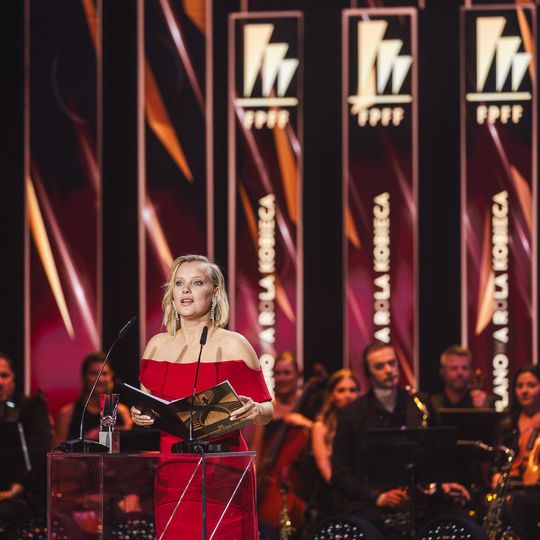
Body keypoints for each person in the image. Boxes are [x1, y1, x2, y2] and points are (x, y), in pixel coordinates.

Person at [130, 254, 273, 539]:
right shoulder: (156, 346)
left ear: (215, 293)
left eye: (196, 283)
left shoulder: (234, 345)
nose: (185, 290)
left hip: (224, 475)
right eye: (179, 283)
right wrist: (140, 416)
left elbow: (268, 411)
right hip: (173, 473)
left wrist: (254, 410)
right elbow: (147, 405)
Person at [332, 341, 470, 538]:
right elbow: (340, 474)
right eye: (380, 366)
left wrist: (443, 482)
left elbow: (437, 455)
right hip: (372, 503)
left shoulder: (421, 403)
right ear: (368, 372)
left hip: (419, 500)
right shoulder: (351, 414)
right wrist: (378, 497)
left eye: (392, 363)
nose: (389, 370)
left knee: (462, 523)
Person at [250, 351, 314, 533]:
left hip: (305, 480)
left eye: (287, 373)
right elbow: (256, 448)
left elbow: (324, 434)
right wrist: (253, 480)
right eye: (277, 373)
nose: (282, 378)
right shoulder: (266, 409)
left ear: (297, 375)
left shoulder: (309, 404)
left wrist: (307, 424)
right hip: (273, 482)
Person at [0, 352, 52, 537]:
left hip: (23, 495)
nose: (0, 382)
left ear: (14, 379)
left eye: (4, 375)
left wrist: (18, 486)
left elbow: (40, 453)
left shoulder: (31, 408)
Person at [491, 364, 540, 538]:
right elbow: (498, 459)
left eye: (531, 385)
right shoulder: (507, 423)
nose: (524, 391)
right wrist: (497, 474)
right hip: (514, 483)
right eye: (520, 386)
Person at [307, 369, 359, 523]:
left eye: (352, 390)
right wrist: (352, 488)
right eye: (341, 391)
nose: (348, 395)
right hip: (334, 495)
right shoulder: (321, 426)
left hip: (362, 491)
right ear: (331, 395)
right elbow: (325, 468)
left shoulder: (364, 423)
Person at [54, 351, 132, 446]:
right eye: (94, 374)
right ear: (84, 376)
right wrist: (86, 439)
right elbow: (56, 452)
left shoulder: (122, 412)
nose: (100, 379)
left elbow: (128, 448)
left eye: (104, 374)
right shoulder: (67, 414)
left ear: (111, 376)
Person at [431, 345, 495, 410]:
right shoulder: (432, 404)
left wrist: (484, 410)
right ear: (443, 372)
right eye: (454, 368)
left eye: (464, 368)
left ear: (471, 371)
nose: (460, 372)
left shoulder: (485, 402)